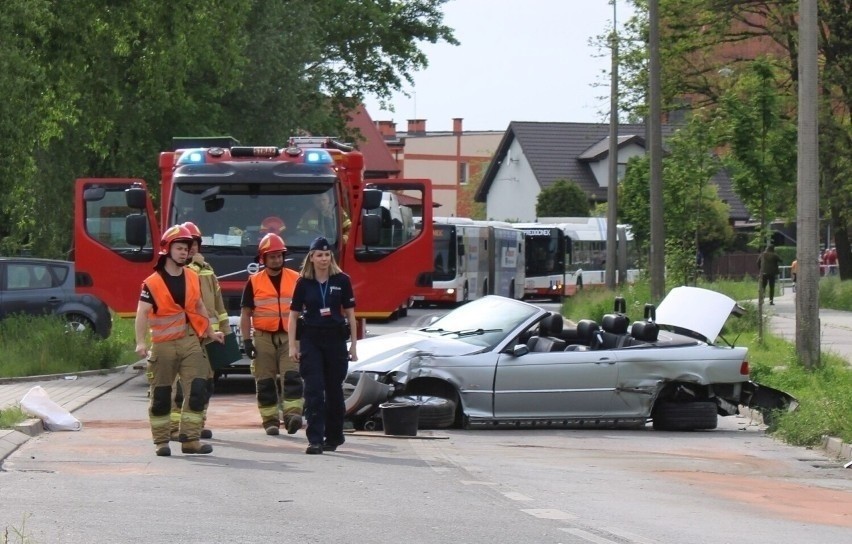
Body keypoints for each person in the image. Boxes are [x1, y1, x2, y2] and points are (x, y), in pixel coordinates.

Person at [135, 224, 224, 457]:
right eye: (179, 248)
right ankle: (161, 441)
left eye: (186, 248)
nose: (184, 252)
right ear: (167, 249)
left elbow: (199, 306)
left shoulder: (193, 277)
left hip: (191, 341)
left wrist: (210, 332)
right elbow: (142, 313)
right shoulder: (151, 282)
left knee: (197, 388)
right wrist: (141, 342)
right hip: (164, 345)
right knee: (162, 394)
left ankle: (191, 439)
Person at [288, 237, 358, 455]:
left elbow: (351, 315)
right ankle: (315, 439)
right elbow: (293, 316)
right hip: (311, 339)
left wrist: (353, 346)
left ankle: (334, 435)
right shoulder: (303, 283)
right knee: (314, 390)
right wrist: (293, 345)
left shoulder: (342, 280)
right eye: (319, 255)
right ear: (311, 257)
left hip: (335, 339)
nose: (324, 259)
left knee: (334, 391)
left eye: (327, 255)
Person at [167, 222, 229, 442]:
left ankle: (197, 424)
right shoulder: (181, 269)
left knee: (206, 384)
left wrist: (225, 330)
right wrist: (194, 264)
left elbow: (218, 303)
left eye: (194, 244)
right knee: (183, 385)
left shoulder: (207, 269)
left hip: (208, 337)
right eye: (186, 244)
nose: (191, 248)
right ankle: (174, 427)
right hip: (186, 336)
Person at [240, 233, 304, 436]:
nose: (276, 260)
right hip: (262, 336)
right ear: (263, 259)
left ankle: (293, 415)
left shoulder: (297, 279)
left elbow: (306, 309)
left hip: (289, 337)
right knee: (265, 381)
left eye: (279, 256)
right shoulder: (254, 281)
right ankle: (270, 421)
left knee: (292, 377)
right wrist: (247, 341)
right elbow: (245, 313)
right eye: (272, 256)